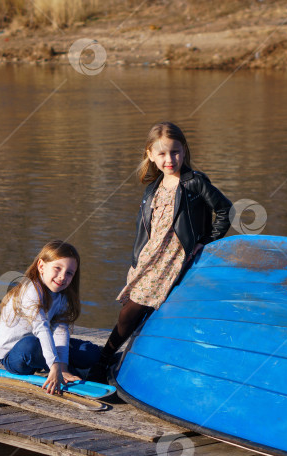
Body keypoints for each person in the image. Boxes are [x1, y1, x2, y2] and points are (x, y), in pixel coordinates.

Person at [88, 122, 233, 383]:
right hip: (151, 259)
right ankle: (114, 364)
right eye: (163, 154)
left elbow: (225, 210)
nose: (170, 159)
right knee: (135, 313)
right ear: (151, 155)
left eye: (175, 152)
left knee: (134, 311)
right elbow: (147, 229)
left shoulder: (194, 183)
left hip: (176, 259)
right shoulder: (152, 189)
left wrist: (207, 242)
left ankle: (104, 364)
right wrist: (137, 260)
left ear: (184, 150)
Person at [0, 240, 101, 394]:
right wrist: (55, 364)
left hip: (45, 346)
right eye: (57, 268)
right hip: (16, 355)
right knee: (31, 346)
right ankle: (70, 370)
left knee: (91, 352)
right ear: (41, 266)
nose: (62, 277)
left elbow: (60, 331)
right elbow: (42, 328)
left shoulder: (61, 295)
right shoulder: (30, 290)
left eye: (69, 273)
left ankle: (65, 370)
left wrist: (62, 366)